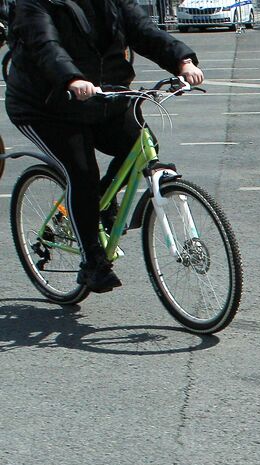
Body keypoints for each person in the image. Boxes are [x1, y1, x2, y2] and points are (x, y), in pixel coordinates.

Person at [5, 0, 203, 293]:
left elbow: (142, 29)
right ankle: (92, 261)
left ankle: (101, 204)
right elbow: (45, 44)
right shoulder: (34, 3)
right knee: (81, 172)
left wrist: (182, 61)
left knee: (140, 148)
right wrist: (71, 77)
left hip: (103, 99)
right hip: (45, 105)